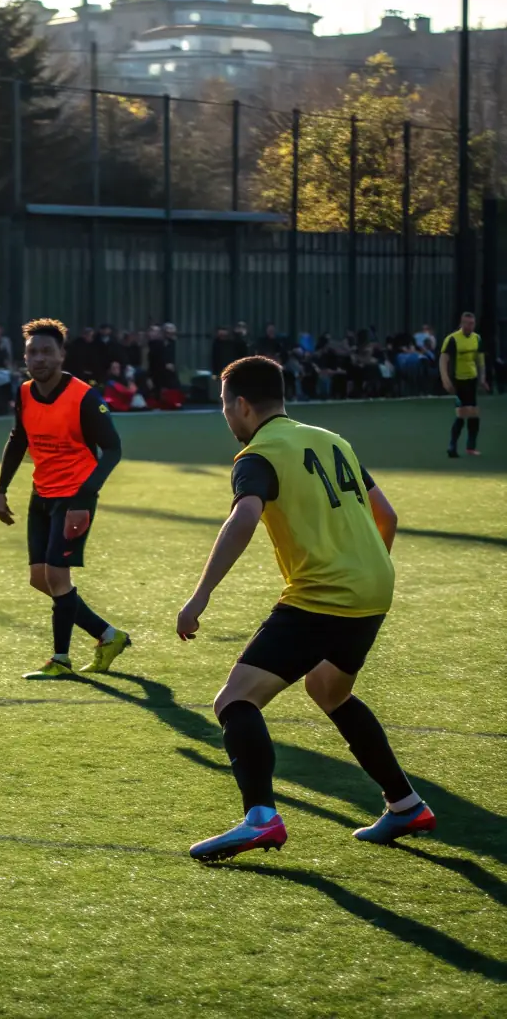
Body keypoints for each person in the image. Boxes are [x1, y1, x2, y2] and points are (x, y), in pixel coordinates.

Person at [176, 355, 433, 861]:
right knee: (328, 689)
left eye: (225, 407)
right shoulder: (331, 439)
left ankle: (261, 819)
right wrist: (364, 569)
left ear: (243, 405)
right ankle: (405, 804)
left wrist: (200, 595)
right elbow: (387, 515)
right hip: (375, 586)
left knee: (235, 701)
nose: (226, 417)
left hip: (322, 595)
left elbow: (244, 518)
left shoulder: (257, 455)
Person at [0, 318, 131, 679]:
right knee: (41, 579)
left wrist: (85, 498)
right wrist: (1, 489)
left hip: (75, 497)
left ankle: (60, 659)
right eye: (32, 352)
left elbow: (113, 449)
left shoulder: (84, 397)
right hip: (41, 494)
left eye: (46, 352)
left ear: (61, 355)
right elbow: (18, 438)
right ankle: (108, 635)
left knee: (57, 575)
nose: (38, 358)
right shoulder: (24, 393)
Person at [440, 311, 489, 458]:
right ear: (461, 324)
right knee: (462, 413)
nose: (470, 326)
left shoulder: (477, 339)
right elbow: (443, 360)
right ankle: (452, 446)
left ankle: (470, 447)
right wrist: (445, 380)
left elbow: (480, 360)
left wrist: (482, 378)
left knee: (474, 413)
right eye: (467, 323)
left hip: (471, 380)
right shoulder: (452, 339)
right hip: (457, 381)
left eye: (472, 323)